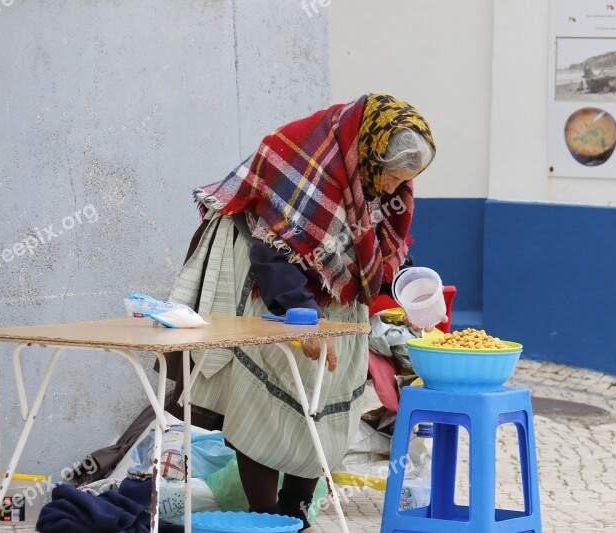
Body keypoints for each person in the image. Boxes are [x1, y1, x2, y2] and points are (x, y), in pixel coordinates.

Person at [168, 94, 438, 530]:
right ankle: (263, 519)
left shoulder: (375, 174)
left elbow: (377, 247)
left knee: (327, 392)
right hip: (268, 274)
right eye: (391, 177)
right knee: (270, 390)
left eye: (404, 180)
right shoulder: (297, 156)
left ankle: (294, 513)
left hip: (330, 287)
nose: (393, 189)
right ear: (370, 156)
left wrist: (400, 287)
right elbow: (272, 248)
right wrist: (301, 320)